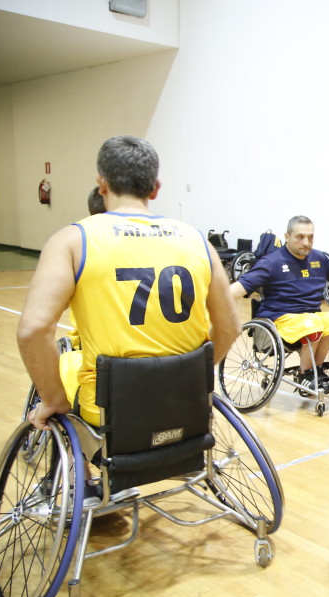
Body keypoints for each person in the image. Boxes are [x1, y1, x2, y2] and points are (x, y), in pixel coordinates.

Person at [17, 135, 241, 508]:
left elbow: (33, 330)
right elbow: (230, 326)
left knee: (67, 369)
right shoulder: (195, 239)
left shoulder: (73, 240)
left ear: (101, 183)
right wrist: (190, 377)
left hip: (114, 407)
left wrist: (53, 398)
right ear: (156, 187)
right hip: (186, 401)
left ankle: (84, 482)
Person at [231, 215, 329, 390]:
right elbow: (240, 287)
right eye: (300, 237)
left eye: (310, 237)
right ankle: (305, 374)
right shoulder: (271, 262)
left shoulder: (318, 259)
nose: (306, 242)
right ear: (287, 237)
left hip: (308, 318)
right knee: (313, 323)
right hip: (279, 319)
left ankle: (317, 369)